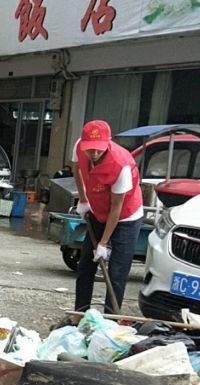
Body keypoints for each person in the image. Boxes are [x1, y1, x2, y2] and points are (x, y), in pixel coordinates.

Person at [71, 120, 144, 312]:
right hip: (97, 209)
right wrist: (84, 200)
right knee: (86, 263)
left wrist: (103, 243)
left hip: (126, 215)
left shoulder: (121, 164)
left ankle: (110, 320)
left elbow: (116, 207)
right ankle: (80, 314)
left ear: (108, 143)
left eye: (98, 149)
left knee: (116, 272)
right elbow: (76, 170)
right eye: (90, 149)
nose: (94, 153)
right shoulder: (79, 146)